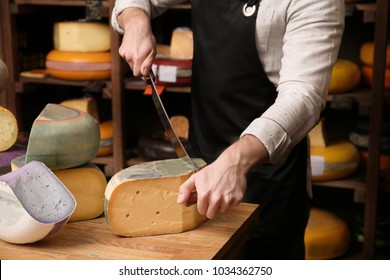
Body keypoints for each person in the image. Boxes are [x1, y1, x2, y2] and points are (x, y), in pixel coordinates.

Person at [111, 0, 345, 259]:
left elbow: (303, 97)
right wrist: (135, 21)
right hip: (200, 169)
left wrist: (235, 161)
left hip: (269, 181)